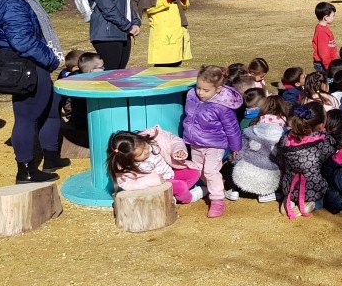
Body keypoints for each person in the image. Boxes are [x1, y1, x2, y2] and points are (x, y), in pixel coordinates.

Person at [0, 0, 70, 183]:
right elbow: (22, 41)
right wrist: (50, 59)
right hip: (25, 65)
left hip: (33, 63)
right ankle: (25, 170)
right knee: (27, 116)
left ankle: (51, 155)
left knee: (51, 106)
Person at [181, 65, 243, 218]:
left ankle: (217, 200)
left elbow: (232, 127)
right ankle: (210, 186)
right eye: (198, 88)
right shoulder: (192, 96)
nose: (200, 93)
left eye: (206, 90)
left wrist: (235, 146)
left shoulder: (222, 107)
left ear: (219, 89)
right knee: (198, 169)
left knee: (210, 171)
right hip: (195, 142)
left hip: (214, 145)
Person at [106, 126, 203, 204]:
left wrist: (177, 150)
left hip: (169, 173)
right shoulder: (125, 168)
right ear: (130, 159)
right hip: (158, 183)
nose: (146, 151)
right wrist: (152, 180)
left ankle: (173, 196)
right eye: (141, 154)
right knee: (180, 186)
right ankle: (188, 198)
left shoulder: (151, 139)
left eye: (144, 146)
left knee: (194, 173)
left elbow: (173, 140)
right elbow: (127, 184)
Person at [276, 102, 335, 220]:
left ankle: (289, 200)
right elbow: (329, 166)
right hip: (314, 187)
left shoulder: (284, 139)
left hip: (289, 186)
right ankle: (313, 203)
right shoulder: (325, 142)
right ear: (321, 125)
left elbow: (280, 161)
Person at [235, 122, 283, 203]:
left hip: (244, 173)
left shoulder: (250, 137)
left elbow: (238, 154)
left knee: (239, 168)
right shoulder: (280, 142)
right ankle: (264, 194)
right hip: (269, 178)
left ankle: (235, 190)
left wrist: (235, 161)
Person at [312, 1, 338, 72]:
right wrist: (328, 67)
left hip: (329, 62)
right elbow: (323, 52)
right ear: (326, 17)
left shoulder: (324, 29)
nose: (334, 17)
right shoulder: (321, 32)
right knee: (326, 82)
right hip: (324, 64)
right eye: (333, 15)